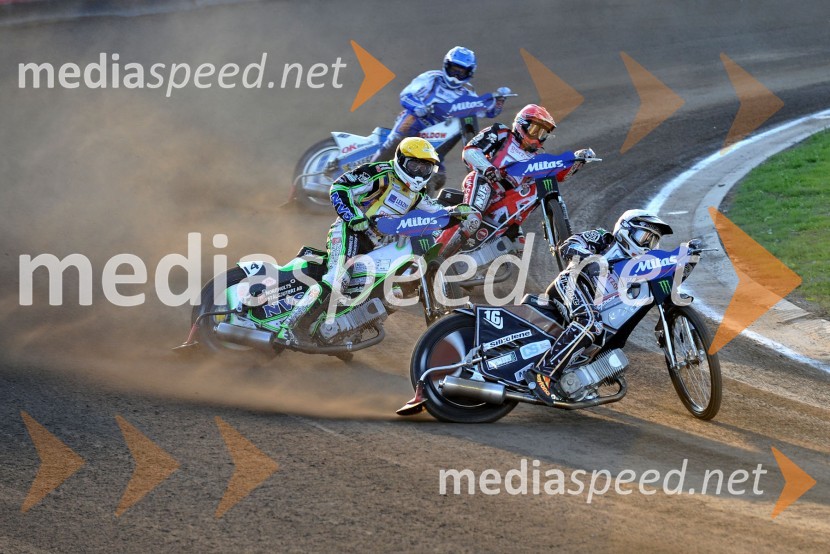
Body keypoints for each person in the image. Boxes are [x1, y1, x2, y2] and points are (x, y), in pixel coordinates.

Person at [276, 137, 478, 344]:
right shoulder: (380, 172)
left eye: (424, 167)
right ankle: (289, 328)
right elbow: (340, 187)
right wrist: (354, 217)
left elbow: (436, 211)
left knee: (392, 288)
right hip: (351, 231)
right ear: (400, 160)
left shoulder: (417, 194)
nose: (418, 172)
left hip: (381, 242)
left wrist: (457, 211)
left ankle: (346, 328)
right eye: (414, 164)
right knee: (338, 279)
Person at [525, 209, 674, 405]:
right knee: (591, 323)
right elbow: (569, 244)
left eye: (652, 241)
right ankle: (542, 374)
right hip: (572, 283)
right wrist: (591, 259)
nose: (646, 245)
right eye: (643, 237)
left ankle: (576, 378)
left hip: (592, 304)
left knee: (598, 330)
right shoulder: (605, 239)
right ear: (625, 230)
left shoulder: (640, 268)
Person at [458, 103, 594, 251]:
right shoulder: (502, 133)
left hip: (506, 200)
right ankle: (440, 254)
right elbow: (470, 150)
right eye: (535, 130)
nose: (538, 137)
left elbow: (558, 174)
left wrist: (577, 161)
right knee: (472, 219)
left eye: (542, 133)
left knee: (519, 248)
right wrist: (488, 168)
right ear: (521, 125)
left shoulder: (536, 160)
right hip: (485, 182)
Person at [370, 46, 508, 189]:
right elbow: (406, 95)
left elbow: (486, 112)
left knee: (438, 177)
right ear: (446, 65)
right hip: (417, 122)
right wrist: (419, 107)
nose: (456, 76)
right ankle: (366, 173)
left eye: (461, 72)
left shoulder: (468, 93)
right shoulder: (431, 78)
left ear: (469, 73)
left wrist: (498, 102)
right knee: (395, 142)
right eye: (454, 70)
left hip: (437, 138)